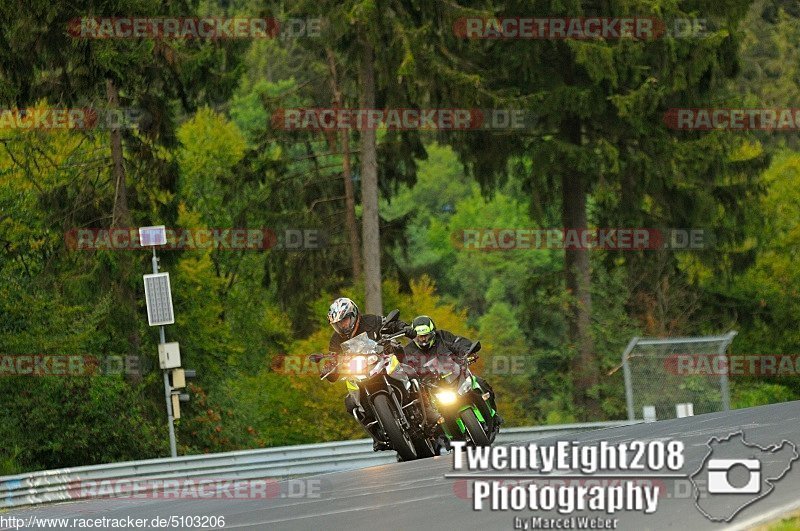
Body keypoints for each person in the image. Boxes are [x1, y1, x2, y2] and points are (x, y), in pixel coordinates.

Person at [322, 297, 408, 451]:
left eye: (345, 320)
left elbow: (390, 324)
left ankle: (428, 409)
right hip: (360, 373)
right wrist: (328, 368)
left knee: (411, 373)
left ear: (354, 314)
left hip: (382, 360)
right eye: (338, 323)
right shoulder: (335, 340)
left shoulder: (371, 321)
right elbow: (332, 359)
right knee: (350, 403)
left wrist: (404, 327)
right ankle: (378, 433)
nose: (342, 325)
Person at [402, 315, 502, 426]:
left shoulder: (443, 337)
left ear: (433, 333)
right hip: (433, 388)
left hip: (454, 376)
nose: (423, 340)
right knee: (424, 412)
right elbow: (406, 369)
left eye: (426, 336)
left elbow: (458, 343)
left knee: (479, 382)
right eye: (419, 337)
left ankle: (494, 414)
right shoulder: (408, 351)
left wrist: (467, 352)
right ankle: (439, 435)